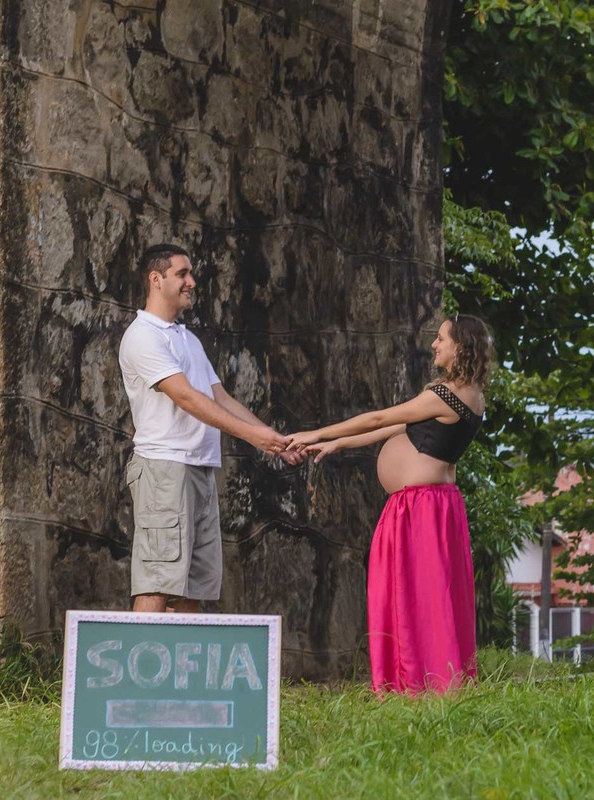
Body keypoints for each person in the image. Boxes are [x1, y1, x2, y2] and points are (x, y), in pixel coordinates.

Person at [287, 315, 493, 694]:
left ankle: (418, 683)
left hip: (421, 509)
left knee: (414, 595)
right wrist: (338, 443)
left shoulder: (445, 394)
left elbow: (381, 416)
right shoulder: (470, 395)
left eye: (441, 338)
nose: (434, 344)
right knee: (425, 593)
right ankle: (426, 681)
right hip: (433, 506)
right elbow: (396, 427)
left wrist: (316, 433)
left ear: (461, 347)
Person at [119, 244, 301, 614]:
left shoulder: (187, 338)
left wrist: (274, 441)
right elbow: (186, 397)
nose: (191, 281)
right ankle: (141, 656)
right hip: (164, 469)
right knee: (157, 583)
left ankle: (183, 657)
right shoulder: (143, 336)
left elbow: (219, 397)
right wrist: (252, 437)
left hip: (200, 467)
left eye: (191, 273)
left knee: (191, 589)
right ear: (156, 279)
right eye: (182, 274)